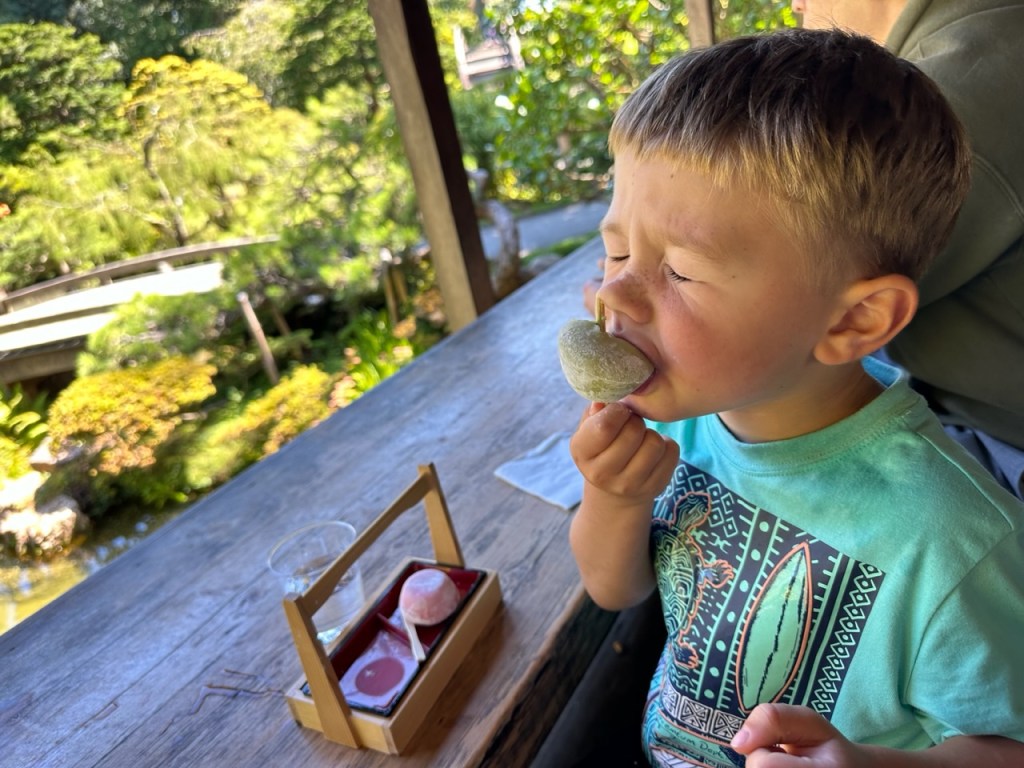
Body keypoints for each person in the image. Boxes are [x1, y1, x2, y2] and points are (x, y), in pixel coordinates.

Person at [568, 28, 1024, 768]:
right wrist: (613, 498)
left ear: (853, 321)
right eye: (617, 250)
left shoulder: (953, 542)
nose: (614, 293)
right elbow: (613, 589)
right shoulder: (683, 421)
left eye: (679, 271)